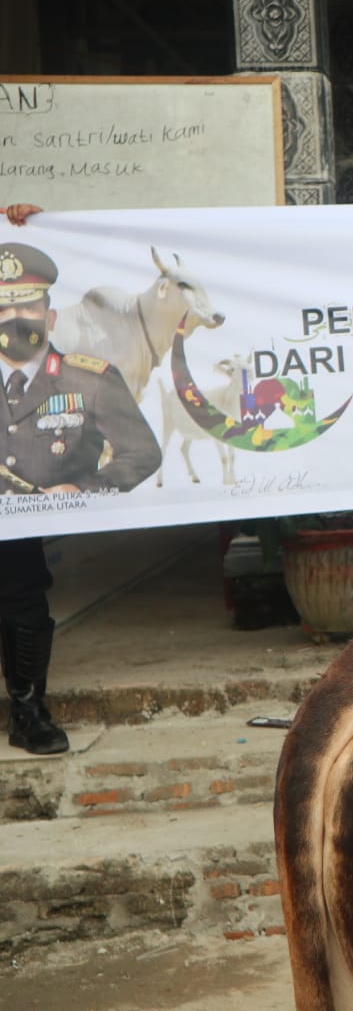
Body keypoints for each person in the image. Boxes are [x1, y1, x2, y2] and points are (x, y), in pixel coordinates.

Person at [1, 209, 162, 755]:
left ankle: (28, 711)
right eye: (2, 307)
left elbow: (143, 453)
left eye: (26, 305)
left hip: (21, 522)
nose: (13, 318)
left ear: (49, 316)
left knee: (21, 597)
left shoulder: (89, 380)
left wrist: (84, 489)